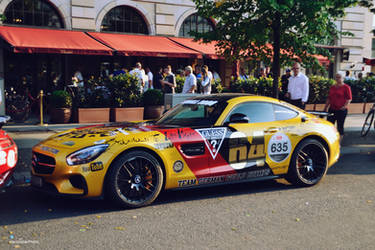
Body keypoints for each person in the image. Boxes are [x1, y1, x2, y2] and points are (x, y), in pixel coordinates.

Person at [324, 73, 352, 142]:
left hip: (341, 110)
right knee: (329, 126)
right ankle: (330, 141)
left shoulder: (346, 87)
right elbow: (329, 98)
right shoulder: (332, 87)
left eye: (339, 77)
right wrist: (325, 108)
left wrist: (344, 106)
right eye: (336, 77)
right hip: (332, 109)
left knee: (340, 127)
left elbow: (349, 99)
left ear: (343, 78)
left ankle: (338, 144)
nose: (337, 79)